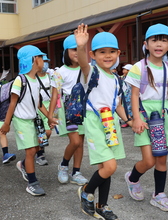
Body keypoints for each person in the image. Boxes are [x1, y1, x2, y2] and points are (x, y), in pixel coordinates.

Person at [124, 23, 168, 212]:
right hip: (144, 115)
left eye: (163, 40)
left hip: (162, 116)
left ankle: (159, 195)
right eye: (154, 40)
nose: (158, 44)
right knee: (149, 160)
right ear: (146, 44)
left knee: (161, 159)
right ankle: (132, 178)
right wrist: (136, 118)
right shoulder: (139, 67)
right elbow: (134, 95)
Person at [74, 23, 131, 220]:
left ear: (118, 53)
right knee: (110, 166)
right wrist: (81, 46)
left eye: (112, 52)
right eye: (102, 52)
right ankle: (86, 191)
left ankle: (102, 205)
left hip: (111, 123)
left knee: (105, 168)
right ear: (93, 54)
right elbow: (82, 63)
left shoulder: (116, 79)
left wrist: (129, 121)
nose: (107, 56)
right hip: (95, 122)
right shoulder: (91, 73)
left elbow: (118, 105)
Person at [0, 45, 56, 196]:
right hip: (21, 121)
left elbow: (38, 103)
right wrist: (6, 123)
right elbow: (12, 103)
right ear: (33, 60)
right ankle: (32, 183)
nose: (43, 61)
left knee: (37, 147)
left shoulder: (36, 79)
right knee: (31, 151)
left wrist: (49, 117)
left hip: (33, 120)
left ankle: (23, 165)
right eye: (41, 58)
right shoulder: (20, 80)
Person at [47, 35, 88, 186]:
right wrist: (51, 116)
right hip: (70, 110)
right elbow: (54, 95)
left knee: (80, 142)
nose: (77, 52)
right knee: (75, 141)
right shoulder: (60, 72)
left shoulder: (86, 68)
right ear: (66, 52)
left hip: (84, 108)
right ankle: (64, 165)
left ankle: (76, 172)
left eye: (80, 49)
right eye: (73, 49)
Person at [35, 55, 53, 166]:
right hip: (37, 107)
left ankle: (40, 148)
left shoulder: (50, 77)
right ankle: (40, 154)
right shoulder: (34, 77)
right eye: (43, 61)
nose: (45, 64)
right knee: (40, 131)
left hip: (48, 105)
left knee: (48, 131)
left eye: (47, 61)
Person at [120, 64, 133, 128]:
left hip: (131, 94)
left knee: (130, 107)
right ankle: (128, 120)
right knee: (125, 107)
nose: (124, 71)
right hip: (125, 94)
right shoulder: (122, 77)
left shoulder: (132, 78)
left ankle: (131, 120)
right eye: (124, 69)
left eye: (126, 70)